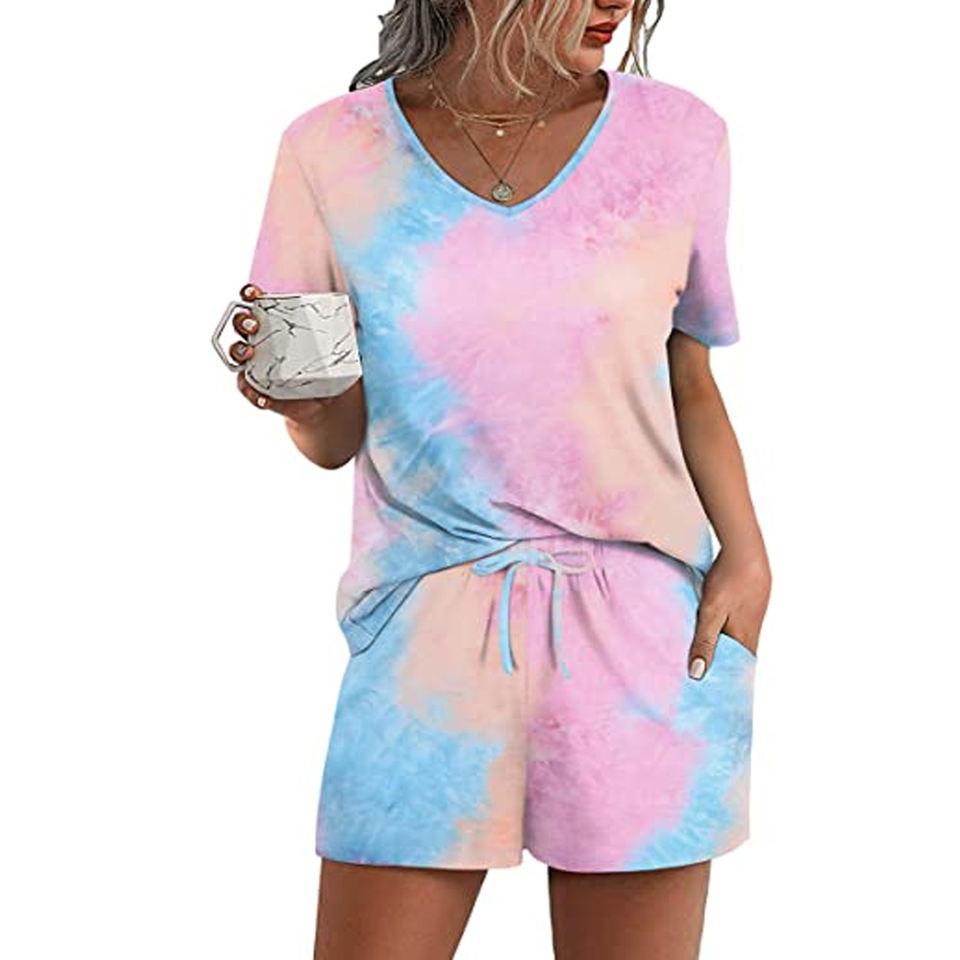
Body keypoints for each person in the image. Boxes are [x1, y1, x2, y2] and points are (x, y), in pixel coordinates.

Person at [228, 1, 771, 957]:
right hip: (425, 622)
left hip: (642, 624)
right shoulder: (333, 153)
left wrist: (749, 557)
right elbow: (334, 436)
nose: (618, 3)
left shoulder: (680, 137)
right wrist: (300, 404)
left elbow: (687, 372)